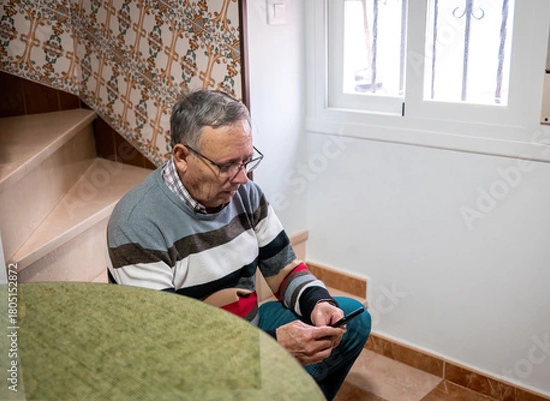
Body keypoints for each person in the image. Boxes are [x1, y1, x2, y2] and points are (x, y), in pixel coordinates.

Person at [106, 89, 371, 400]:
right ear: (182, 157)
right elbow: (170, 346)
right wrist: (272, 347)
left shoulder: (246, 195)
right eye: (228, 165)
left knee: (352, 320)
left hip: (249, 330)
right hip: (188, 366)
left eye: (247, 161)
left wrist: (318, 304)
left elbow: (284, 268)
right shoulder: (137, 224)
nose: (243, 177)